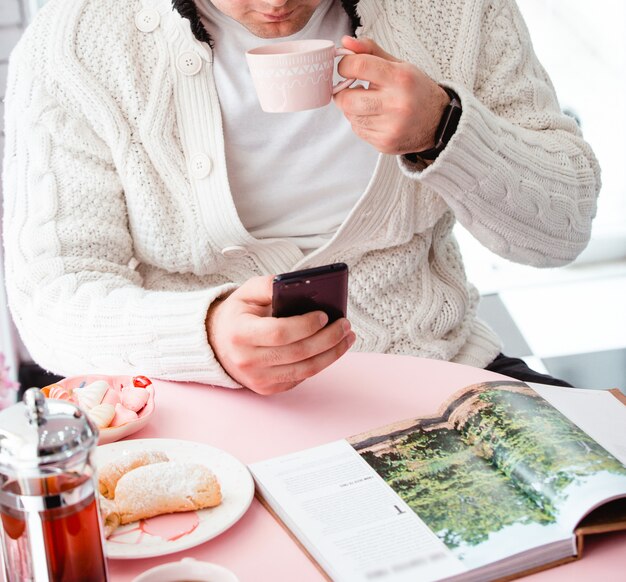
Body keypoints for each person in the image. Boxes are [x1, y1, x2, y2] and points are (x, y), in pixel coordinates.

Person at [2, 0, 600, 395]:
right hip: (205, 411)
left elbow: (561, 231)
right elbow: (52, 300)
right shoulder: (76, 41)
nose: (275, 4)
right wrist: (203, 336)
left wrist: (444, 129)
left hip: (437, 378)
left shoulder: (453, 10)